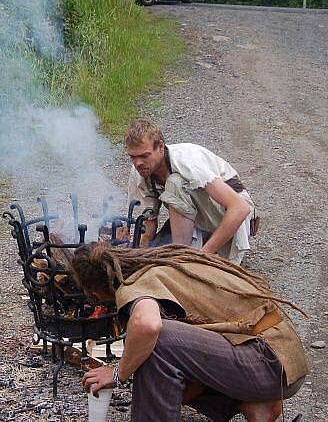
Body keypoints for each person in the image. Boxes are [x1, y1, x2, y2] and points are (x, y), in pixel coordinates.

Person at [72, 242, 308, 422]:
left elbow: (148, 326)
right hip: (283, 361)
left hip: (267, 363)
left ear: (96, 291)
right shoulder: (164, 264)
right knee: (154, 350)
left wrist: (118, 373)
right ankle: (255, 405)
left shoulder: (133, 286)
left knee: (157, 340)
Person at [125, 120, 257, 264]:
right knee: (154, 256)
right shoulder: (139, 171)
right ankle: (183, 252)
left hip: (231, 212)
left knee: (174, 182)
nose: (138, 163)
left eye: (144, 156)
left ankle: (184, 258)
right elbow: (148, 221)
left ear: (161, 147)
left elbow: (240, 208)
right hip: (198, 216)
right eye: (133, 157)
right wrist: (140, 253)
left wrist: (203, 254)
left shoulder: (187, 161)